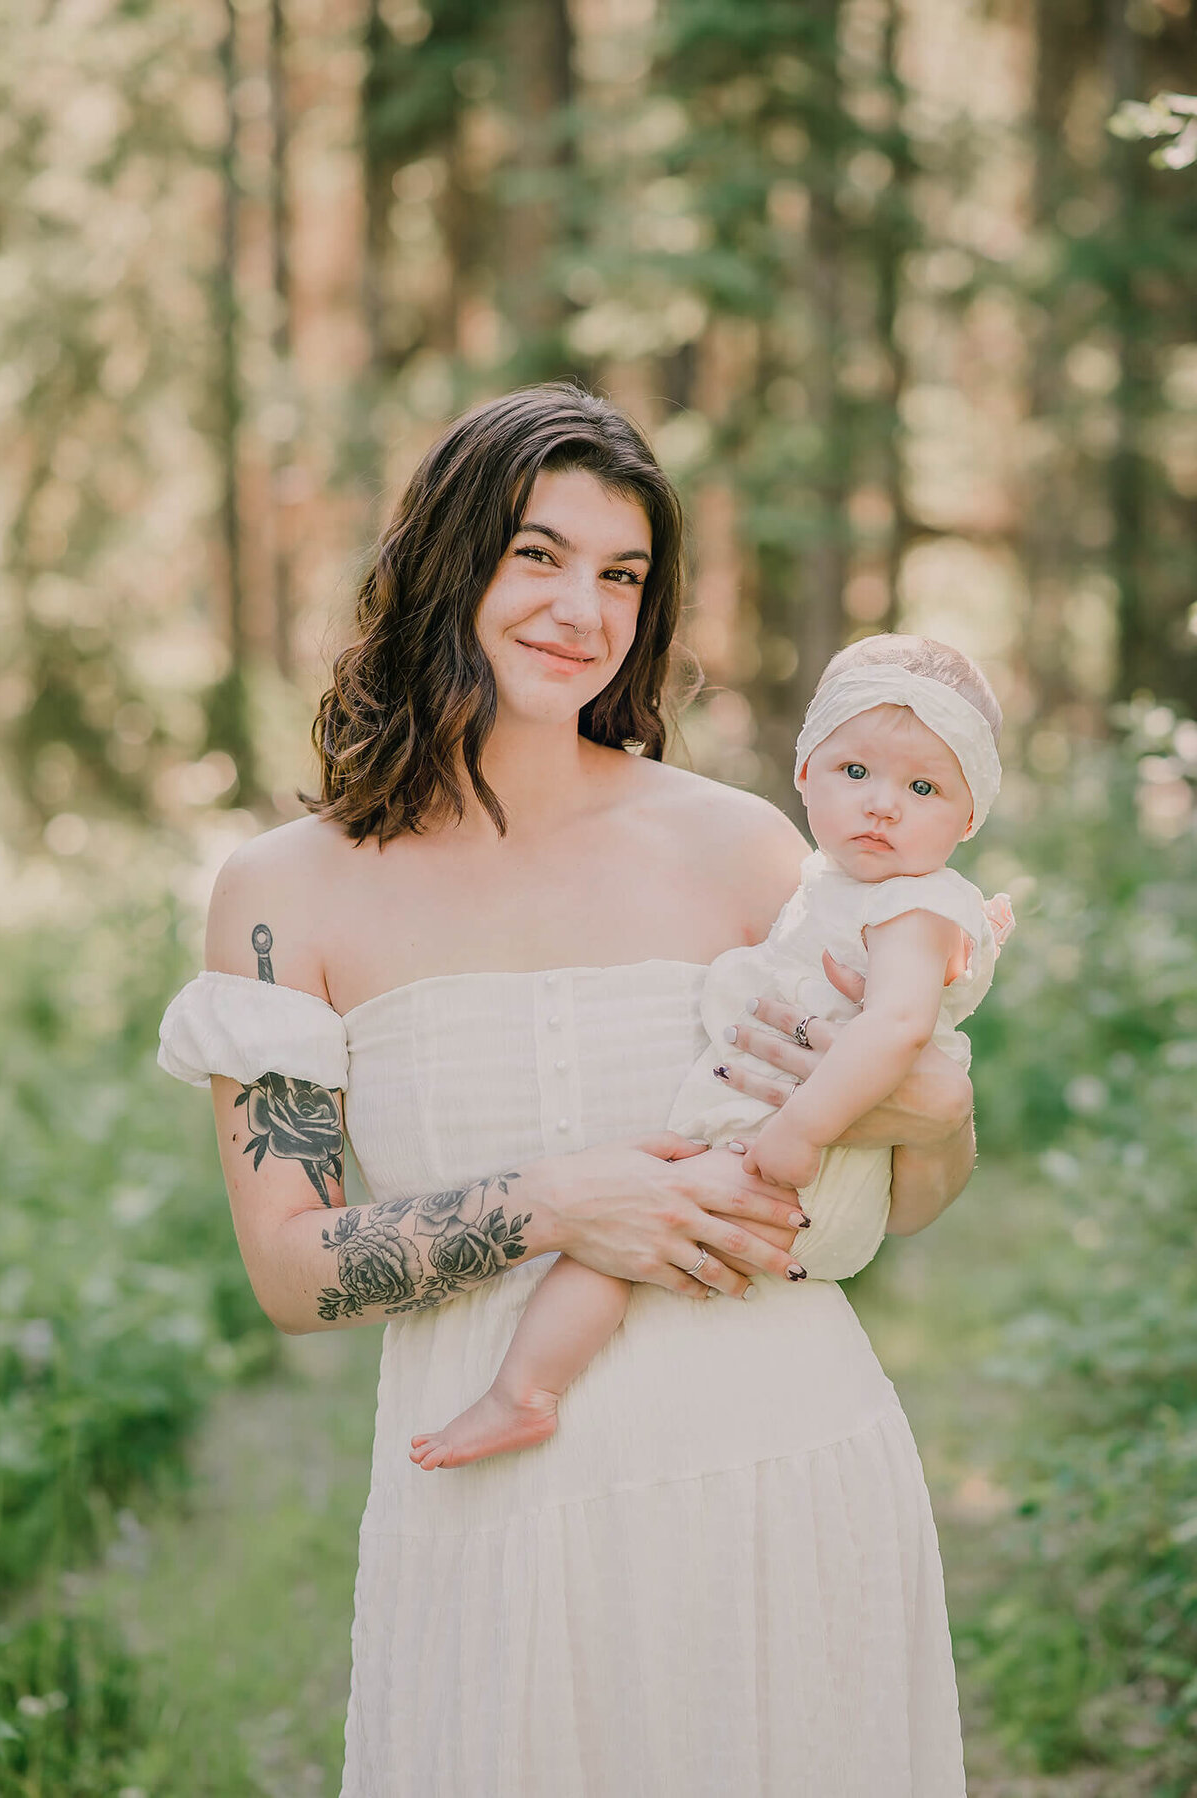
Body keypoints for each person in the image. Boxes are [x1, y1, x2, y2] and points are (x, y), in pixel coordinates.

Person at [159, 384, 977, 1797]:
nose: (580, 609)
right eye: (536, 554)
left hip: (785, 1469)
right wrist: (556, 1200)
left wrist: (941, 1112)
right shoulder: (283, 896)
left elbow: (905, 1194)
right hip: (499, 1521)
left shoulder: (742, 847)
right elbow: (293, 1271)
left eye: (622, 574)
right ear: (444, 559)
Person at [411, 632, 1014, 1473]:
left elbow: (896, 1029)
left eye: (922, 788)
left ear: (970, 814)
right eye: (855, 773)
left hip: (806, 1168)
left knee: (616, 1237)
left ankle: (524, 1394)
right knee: (622, 1230)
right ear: (806, 773)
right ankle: (527, 1393)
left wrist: (800, 1129)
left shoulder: (918, 907)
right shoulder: (828, 885)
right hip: (785, 1150)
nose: (882, 805)